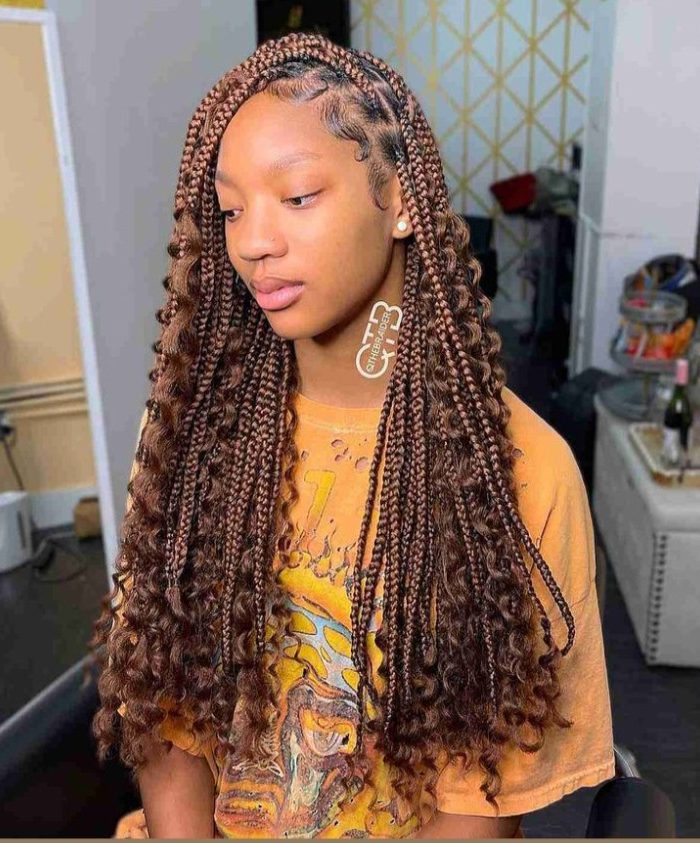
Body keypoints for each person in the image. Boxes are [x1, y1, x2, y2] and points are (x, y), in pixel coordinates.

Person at [89, 32, 615, 839]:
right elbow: (164, 718)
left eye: (298, 196)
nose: (253, 241)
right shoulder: (190, 440)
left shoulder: (520, 472)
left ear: (400, 200)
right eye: (231, 209)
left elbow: (476, 807)